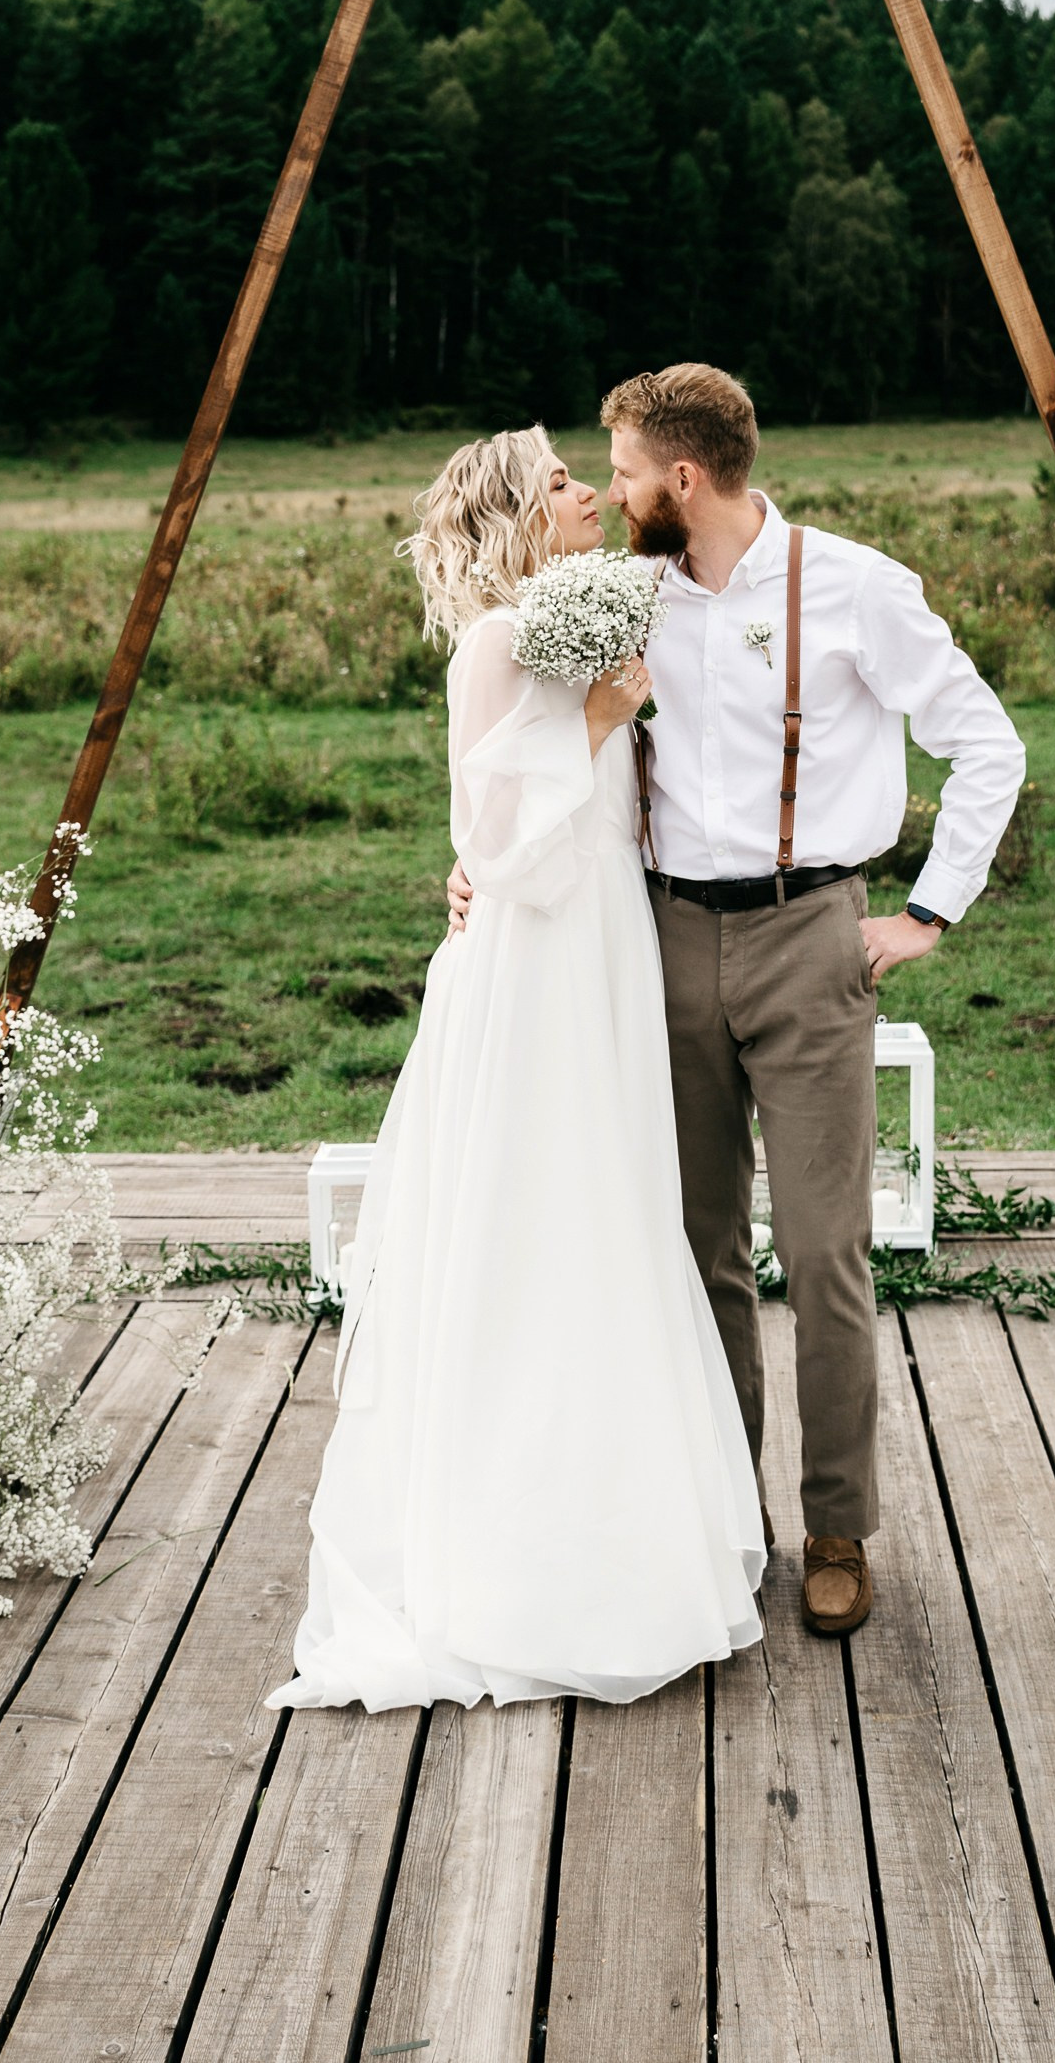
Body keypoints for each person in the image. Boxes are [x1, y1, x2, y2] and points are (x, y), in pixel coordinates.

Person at [452, 365, 1025, 1639]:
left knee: (823, 1253)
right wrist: (475, 859)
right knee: (693, 1249)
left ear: (682, 478)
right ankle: (722, 1522)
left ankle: (836, 1528)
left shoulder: (854, 588)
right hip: (656, 940)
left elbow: (987, 745)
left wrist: (926, 913)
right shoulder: (618, 592)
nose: (610, 494)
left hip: (811, 934)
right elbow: (529, 740)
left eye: (621, 473)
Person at [268, 426, 765, 1713]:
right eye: (558, 483)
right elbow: (497, 842)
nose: (588, 490)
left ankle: (616, 1517)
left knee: (611, 1205)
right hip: (538, 958)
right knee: (540, 1209)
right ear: (515, 516)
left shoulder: (575, 614)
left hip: (604, 938)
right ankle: (515, 1554)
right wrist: (595, 724)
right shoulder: (495, 642)